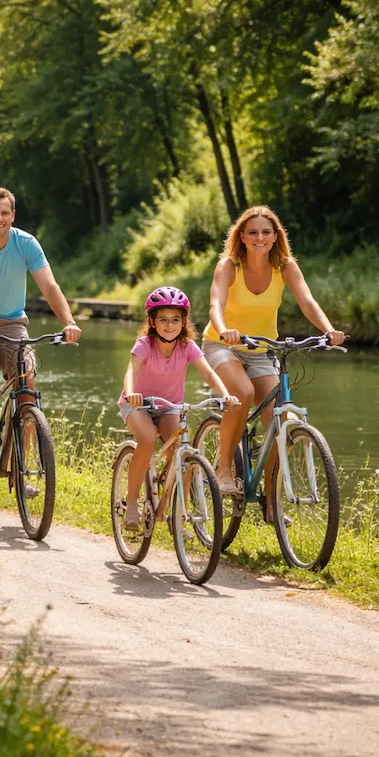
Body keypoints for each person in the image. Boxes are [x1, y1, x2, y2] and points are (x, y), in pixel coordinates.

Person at [203, 206, 346, 513]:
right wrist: (224, 328)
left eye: (266, 232)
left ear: (275, 236)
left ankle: (271, 499)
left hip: (262, 348)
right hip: (222, 344)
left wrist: (329, 330)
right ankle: (224, 468)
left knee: (277, 417)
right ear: (242, 236)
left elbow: (307, 301)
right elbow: (216, 303)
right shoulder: (229, 265)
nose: (259, 238)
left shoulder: (285, 267)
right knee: (242, 393)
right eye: (252, 232)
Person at [0, 187, 82, 474]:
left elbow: (49, 286)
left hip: (12, 322)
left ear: (13, 215)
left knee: (27, 383)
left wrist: (68, 322)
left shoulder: (26, 243)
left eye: (5, 213)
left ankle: (23, 465)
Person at [119, 286, 238, 530]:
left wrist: (226, 395)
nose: (169, 325)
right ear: (152, 322)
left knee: (184, 452)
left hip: (170, 407)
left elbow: (208, 372)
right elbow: (132, 370)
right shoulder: (144, 344)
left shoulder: (188, 347)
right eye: (163, 319)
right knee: (148, 439)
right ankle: (131, 504)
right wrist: (131, 393)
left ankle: (178, 514)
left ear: (184, 322)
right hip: (138, 405)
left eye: (175, 320)